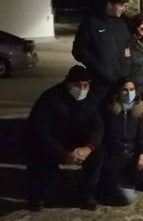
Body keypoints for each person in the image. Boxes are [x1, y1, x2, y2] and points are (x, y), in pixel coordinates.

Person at [23, 65, 103, 211]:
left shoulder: (91, 98)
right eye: (79, 85)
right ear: (69, 83)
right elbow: (41, 133)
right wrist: (63, 153)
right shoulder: (50, 99)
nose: (83, 89)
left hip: (77, 142)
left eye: (86, 85)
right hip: (53, 142)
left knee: (98, 153)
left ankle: (87, 195)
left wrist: (88, 147)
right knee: (40, 158)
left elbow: (98, 128)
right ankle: (37, 196)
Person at [98, 78, 143, 205]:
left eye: (132, 90)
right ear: (118, 92)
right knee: (127, 199)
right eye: (125, 90)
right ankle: (112, 184)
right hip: (112, 157)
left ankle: (125, 182)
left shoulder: (138, 109)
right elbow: (102, 136)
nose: (129, 93)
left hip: (130, 155)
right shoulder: (108, 109)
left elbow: (142, 136)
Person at [72, 0, 131, 102]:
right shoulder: (91, 23)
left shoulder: (122, 24)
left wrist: (126, 67)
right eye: (121, 5)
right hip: (99, 85)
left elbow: (127, 49)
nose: (124, 9)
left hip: (120, 83)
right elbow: (78, 50)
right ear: (110, 4)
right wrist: (98, 67)